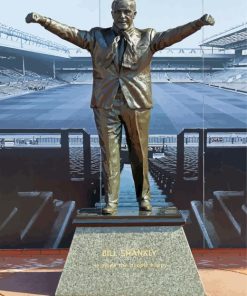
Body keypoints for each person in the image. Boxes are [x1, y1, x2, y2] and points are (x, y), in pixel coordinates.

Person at [26, 0, 215, 214]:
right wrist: (44, 21)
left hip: (137, 102)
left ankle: (144, 198)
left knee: (140, 153)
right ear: (112, 13)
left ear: (135, 13)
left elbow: (174, 35)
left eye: (127, 11)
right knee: (109, 155)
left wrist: (198, 23)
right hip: (105, 104)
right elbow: (70, 33)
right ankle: (111, 202)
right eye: (118, 11)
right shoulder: (97, 36)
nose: (122, 16)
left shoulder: (148, 36)